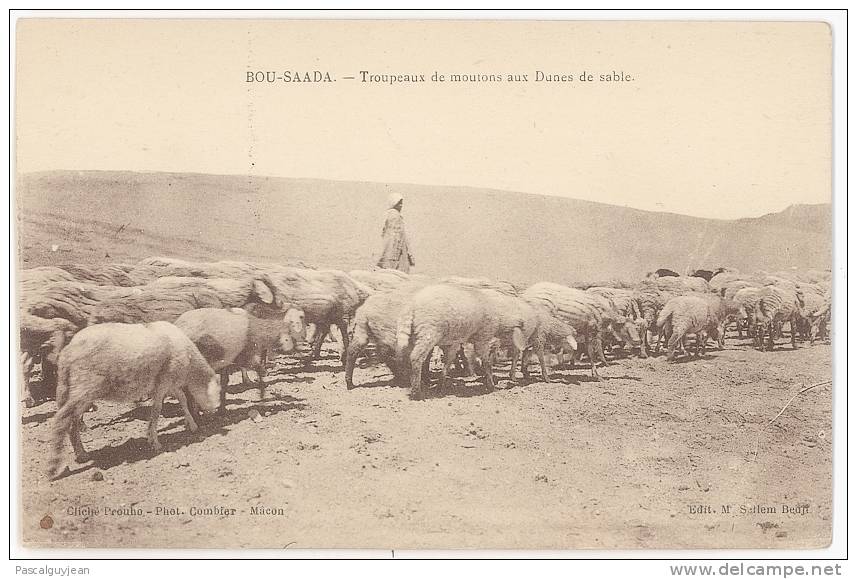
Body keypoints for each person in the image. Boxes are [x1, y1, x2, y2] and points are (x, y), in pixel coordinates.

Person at [376, 193, 414, 273]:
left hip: (395, 246)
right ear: (393, 203)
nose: (401, 206)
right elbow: (394, 234)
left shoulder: (389, 214)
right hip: (395, 246)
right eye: (399, 203)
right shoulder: (394, 215)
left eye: (401, 203)